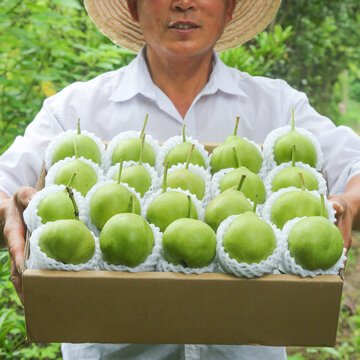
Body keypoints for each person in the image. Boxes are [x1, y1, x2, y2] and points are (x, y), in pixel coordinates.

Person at [1, 0, 360, 359]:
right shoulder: (74, 111)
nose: (183, 2)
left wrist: (349, 202)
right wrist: (13, 212)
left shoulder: (278, 107)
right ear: (132, 7)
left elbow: (353, 164)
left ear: (230, 9)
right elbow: (5, 183)